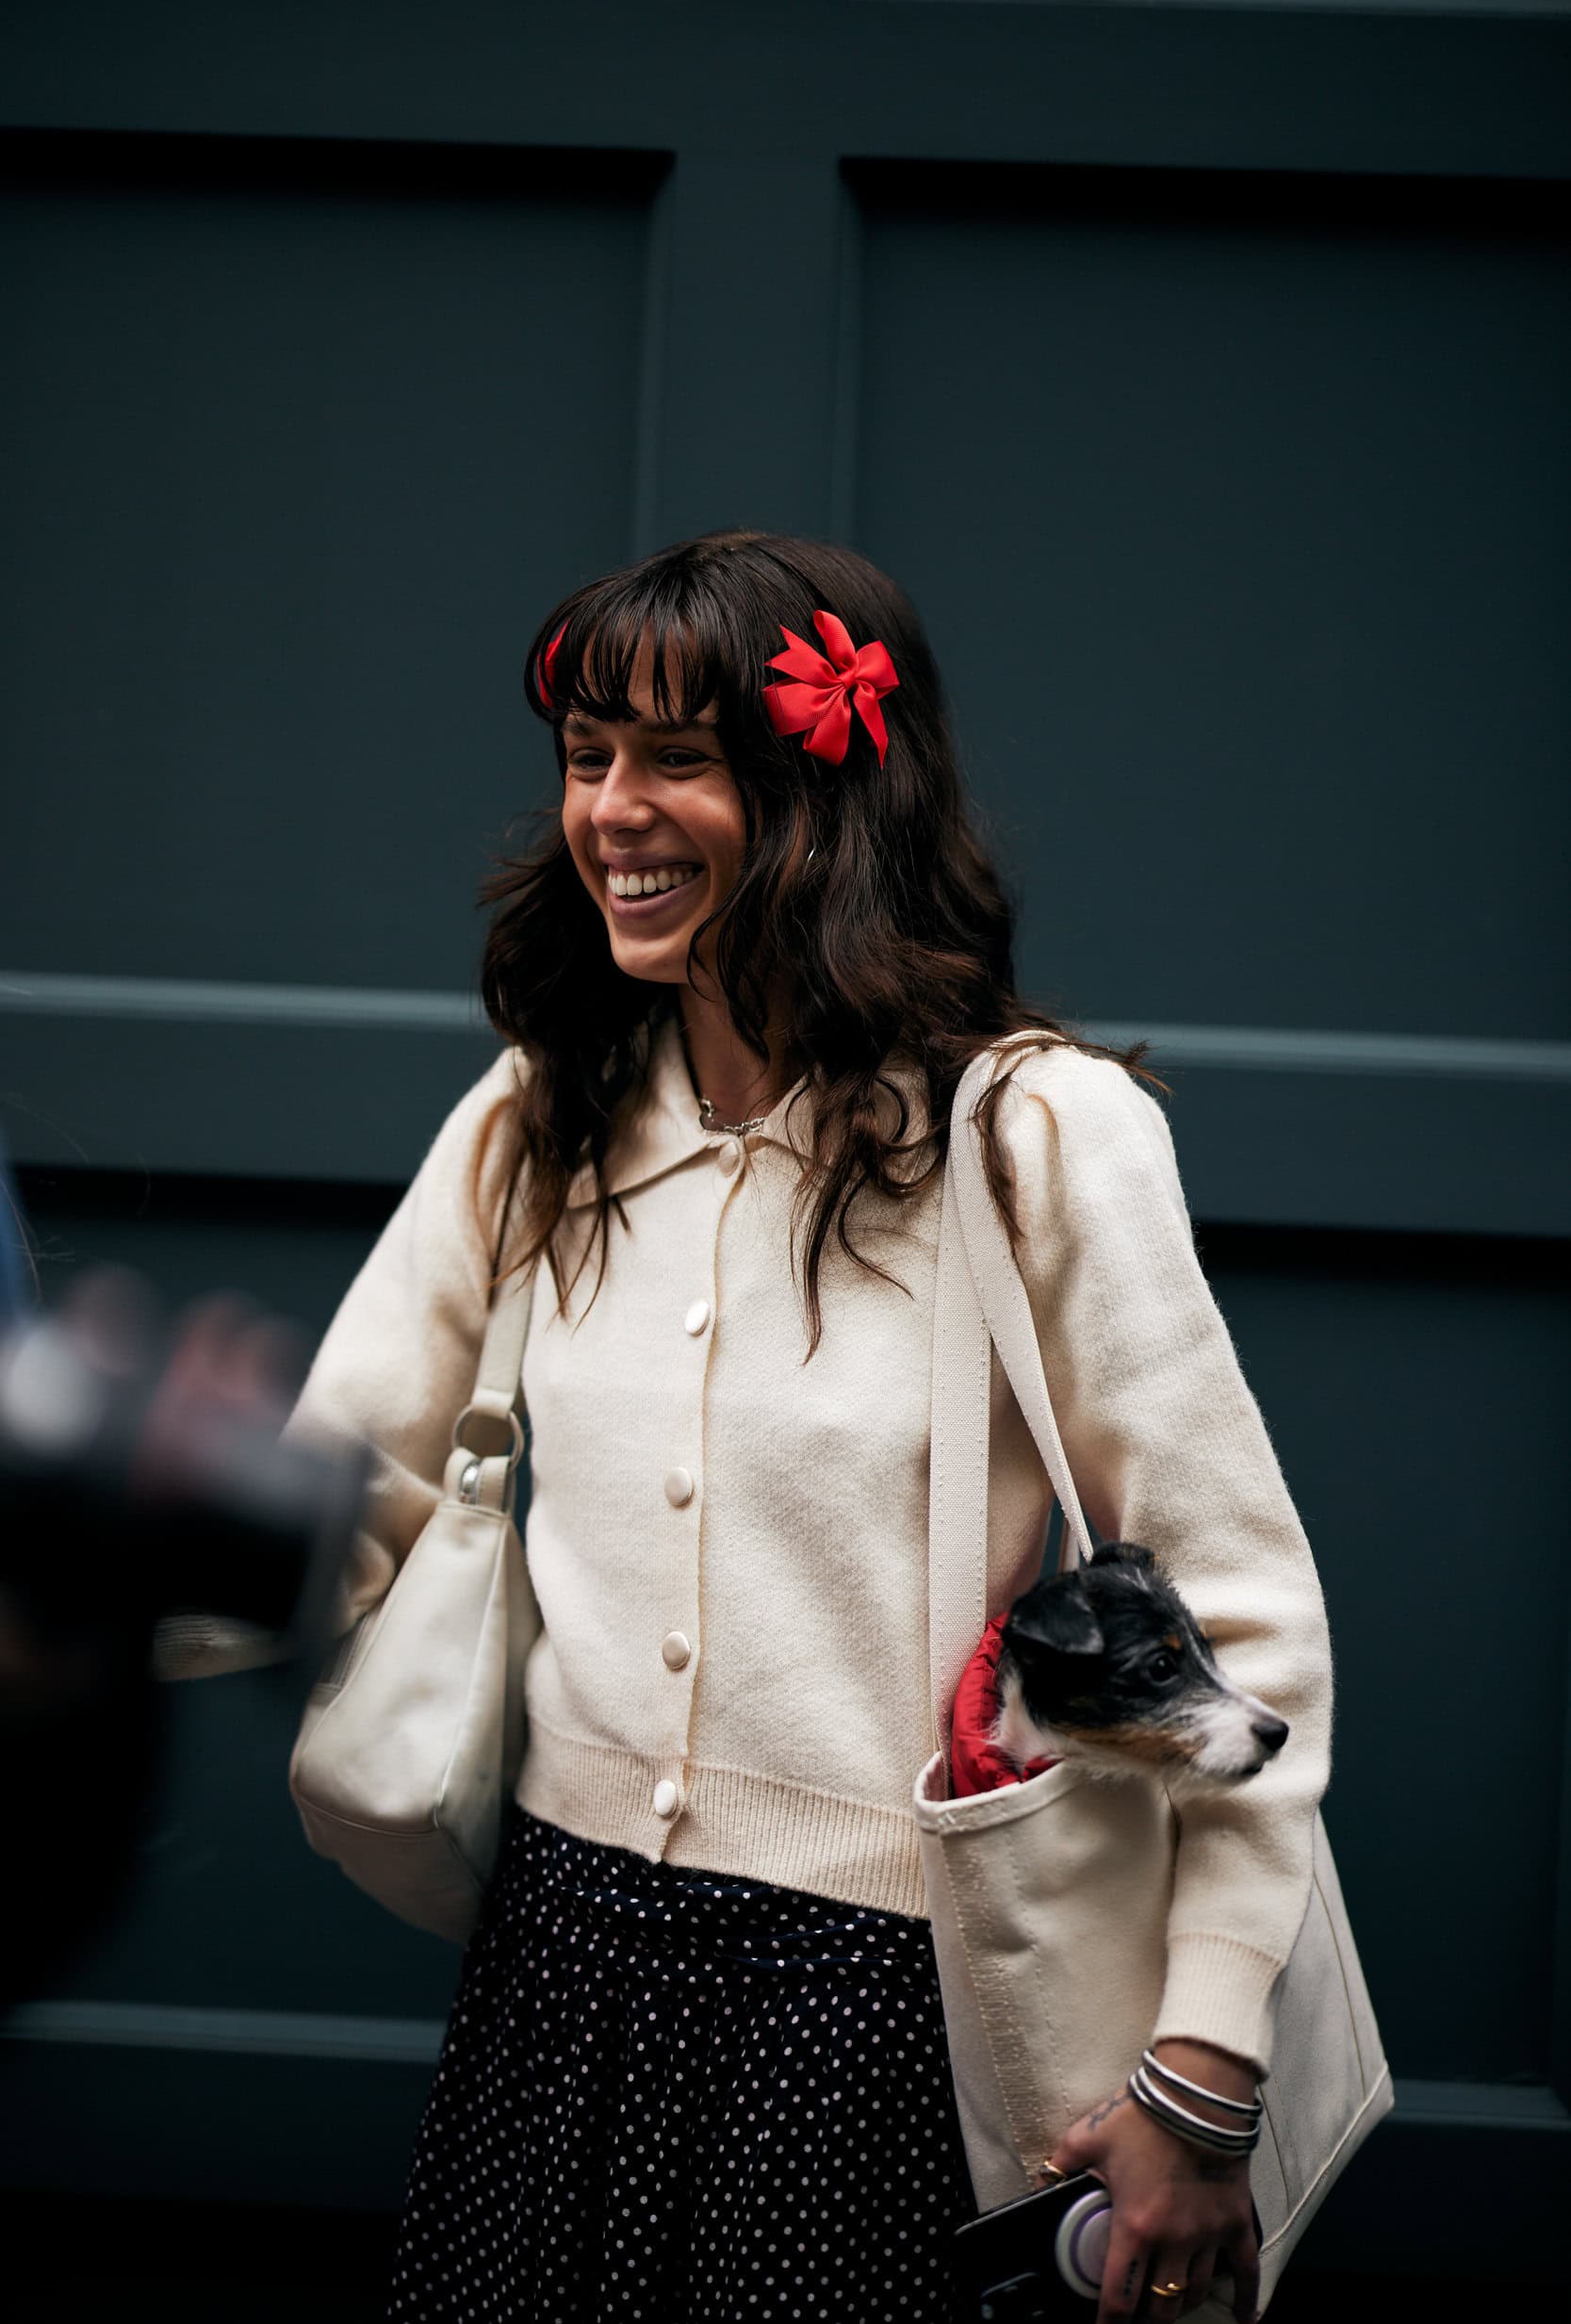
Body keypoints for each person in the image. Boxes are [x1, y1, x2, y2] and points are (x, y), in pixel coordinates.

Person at [286, 530, 1332, 2324]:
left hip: (877, 2004)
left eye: (677, 758)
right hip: (557, 1971)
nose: (611, 810)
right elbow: (333, 1488)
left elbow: (1248, 1630)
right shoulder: (543, 1115)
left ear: (828, 794)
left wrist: (1204, 2067)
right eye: (586, 756)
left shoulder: (1035, 1135)